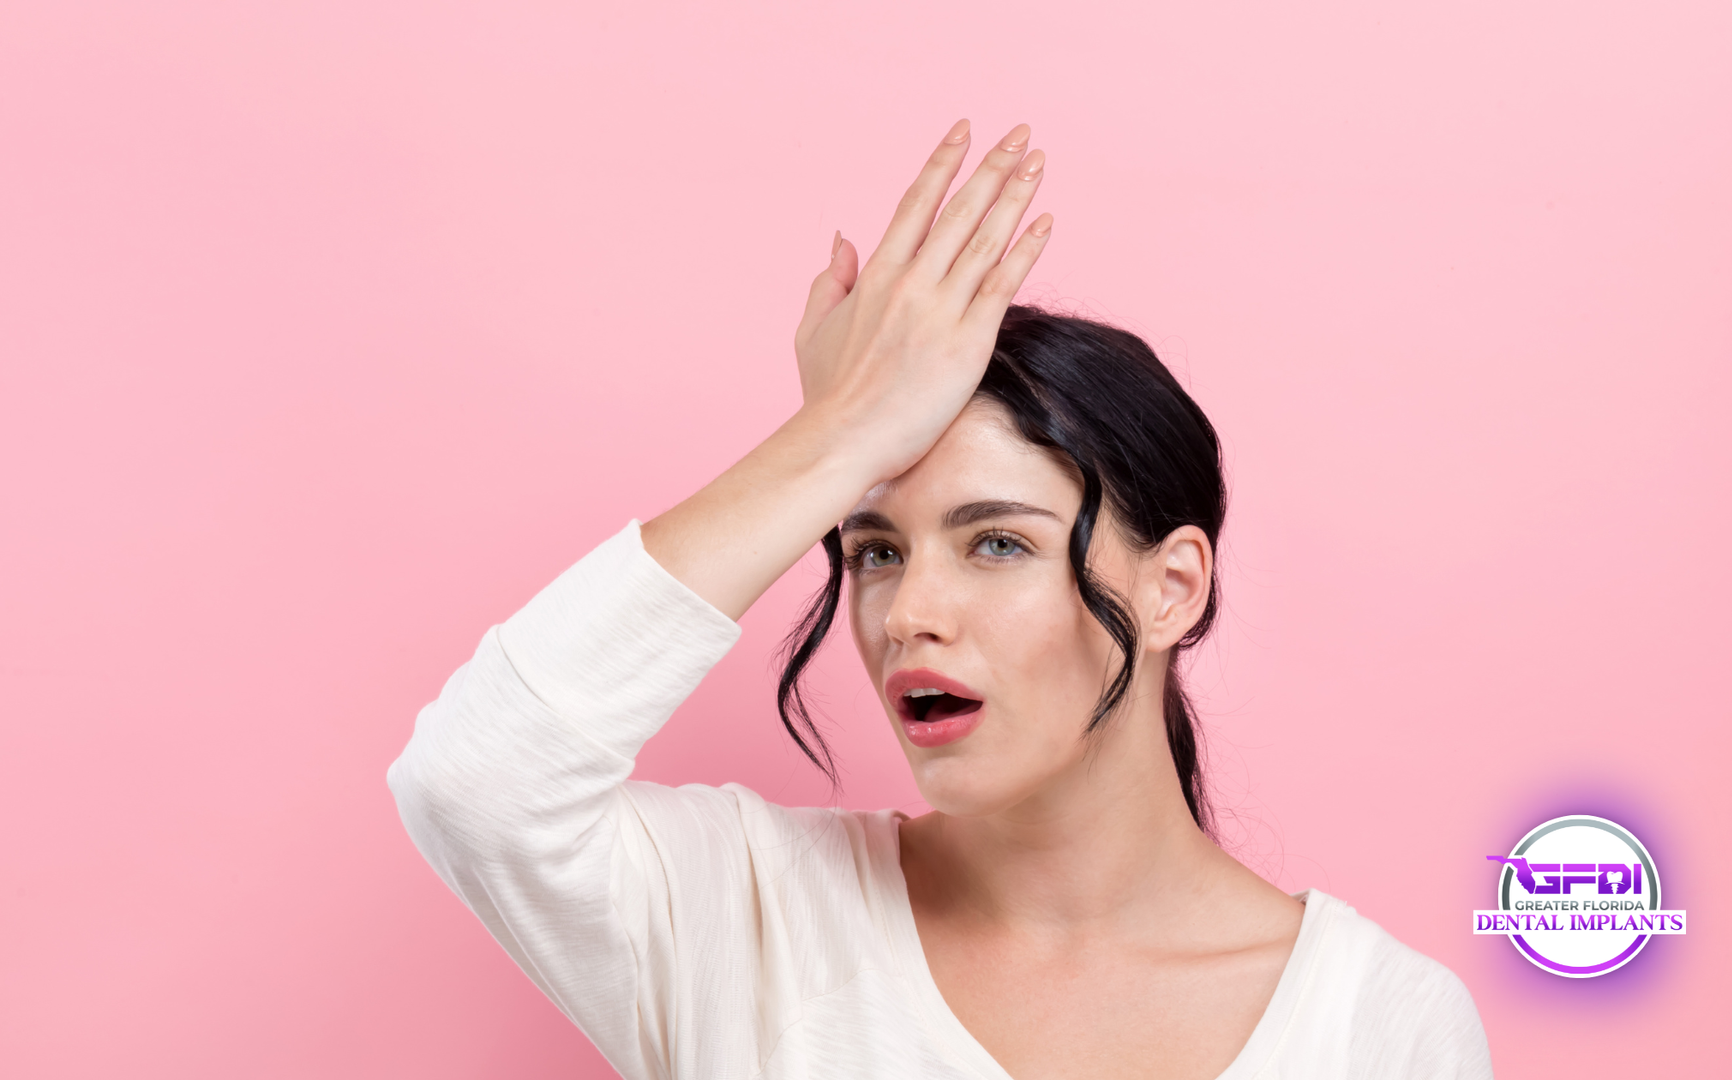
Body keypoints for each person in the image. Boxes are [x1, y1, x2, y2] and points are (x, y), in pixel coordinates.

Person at [388, 119, 1493, 1079]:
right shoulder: (751, 923)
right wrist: (837, 439)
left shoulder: (1376, 1024)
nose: (909, 610)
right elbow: (475, 783)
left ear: (1173, 588)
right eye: (872, 551)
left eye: (997, 542)